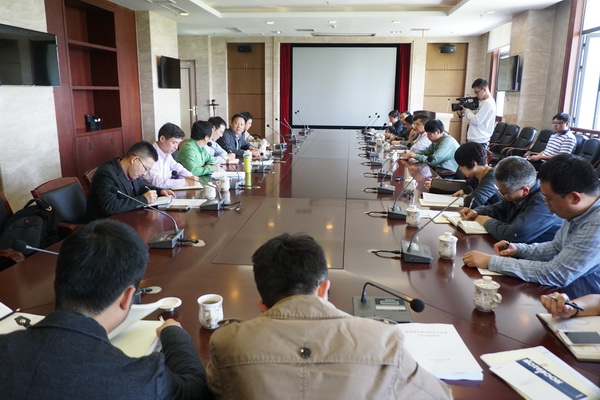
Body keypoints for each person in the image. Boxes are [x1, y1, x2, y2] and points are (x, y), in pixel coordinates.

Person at [207, 233, 452, 400]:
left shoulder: (227, 343)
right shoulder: (384, 340)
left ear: (262, 305)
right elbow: (441, 396)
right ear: (324, 289)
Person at [0, 219, 211, 399]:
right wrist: (173, 332)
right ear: (127, 297)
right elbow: (195, 388)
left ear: (59, 279)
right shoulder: (141, 379)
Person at [463, 154, 600, 298]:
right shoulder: (577, 211)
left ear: (574, 198)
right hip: (559, 297)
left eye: (547, 198)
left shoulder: (595, 224)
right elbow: (556, 247)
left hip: (578, 304)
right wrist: (519, 250)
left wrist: (491, 262)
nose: (545, 203)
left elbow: (556, 274)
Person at [459, 156, 561, 243]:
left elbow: (513, 235)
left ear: (525, 191)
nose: (500, 195)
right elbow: (499, 208)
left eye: (504, 193)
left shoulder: (543, 202)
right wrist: (477, 211)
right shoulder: (515, 192)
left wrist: (486, 222)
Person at [87, 141, 176, 221]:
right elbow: (110, 206)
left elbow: (141, 187)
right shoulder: (106, 173)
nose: (145, 173)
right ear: (134, 160)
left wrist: (160, 191)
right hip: (105, 226)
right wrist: (144, 199)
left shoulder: (131, 172)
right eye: (146, 168)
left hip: (127, 219)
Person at [143, 122, 199, 189]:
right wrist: (185, 182)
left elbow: (179, 168)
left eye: (178, 143)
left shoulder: (167, 154)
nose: (176, 147)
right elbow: (157, 182)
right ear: (162, 139)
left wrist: (190, 177)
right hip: (153, 192)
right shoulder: (149, 154)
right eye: (174, 143)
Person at [451, 142, 501, 208]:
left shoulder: (493, 177)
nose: (460, 168)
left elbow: (473, 203)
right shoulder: (478, 175)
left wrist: (464, 196)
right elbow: (464, 186)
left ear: (473, 164)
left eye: (461, 165)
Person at [457, 78, 496, 145]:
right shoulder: (485, 102)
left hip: (479, 140)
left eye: (477, 92)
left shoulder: (487, 103)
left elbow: (477, 121)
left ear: (484, 90)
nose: (476, 95)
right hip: (477, 139)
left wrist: (466, 110)